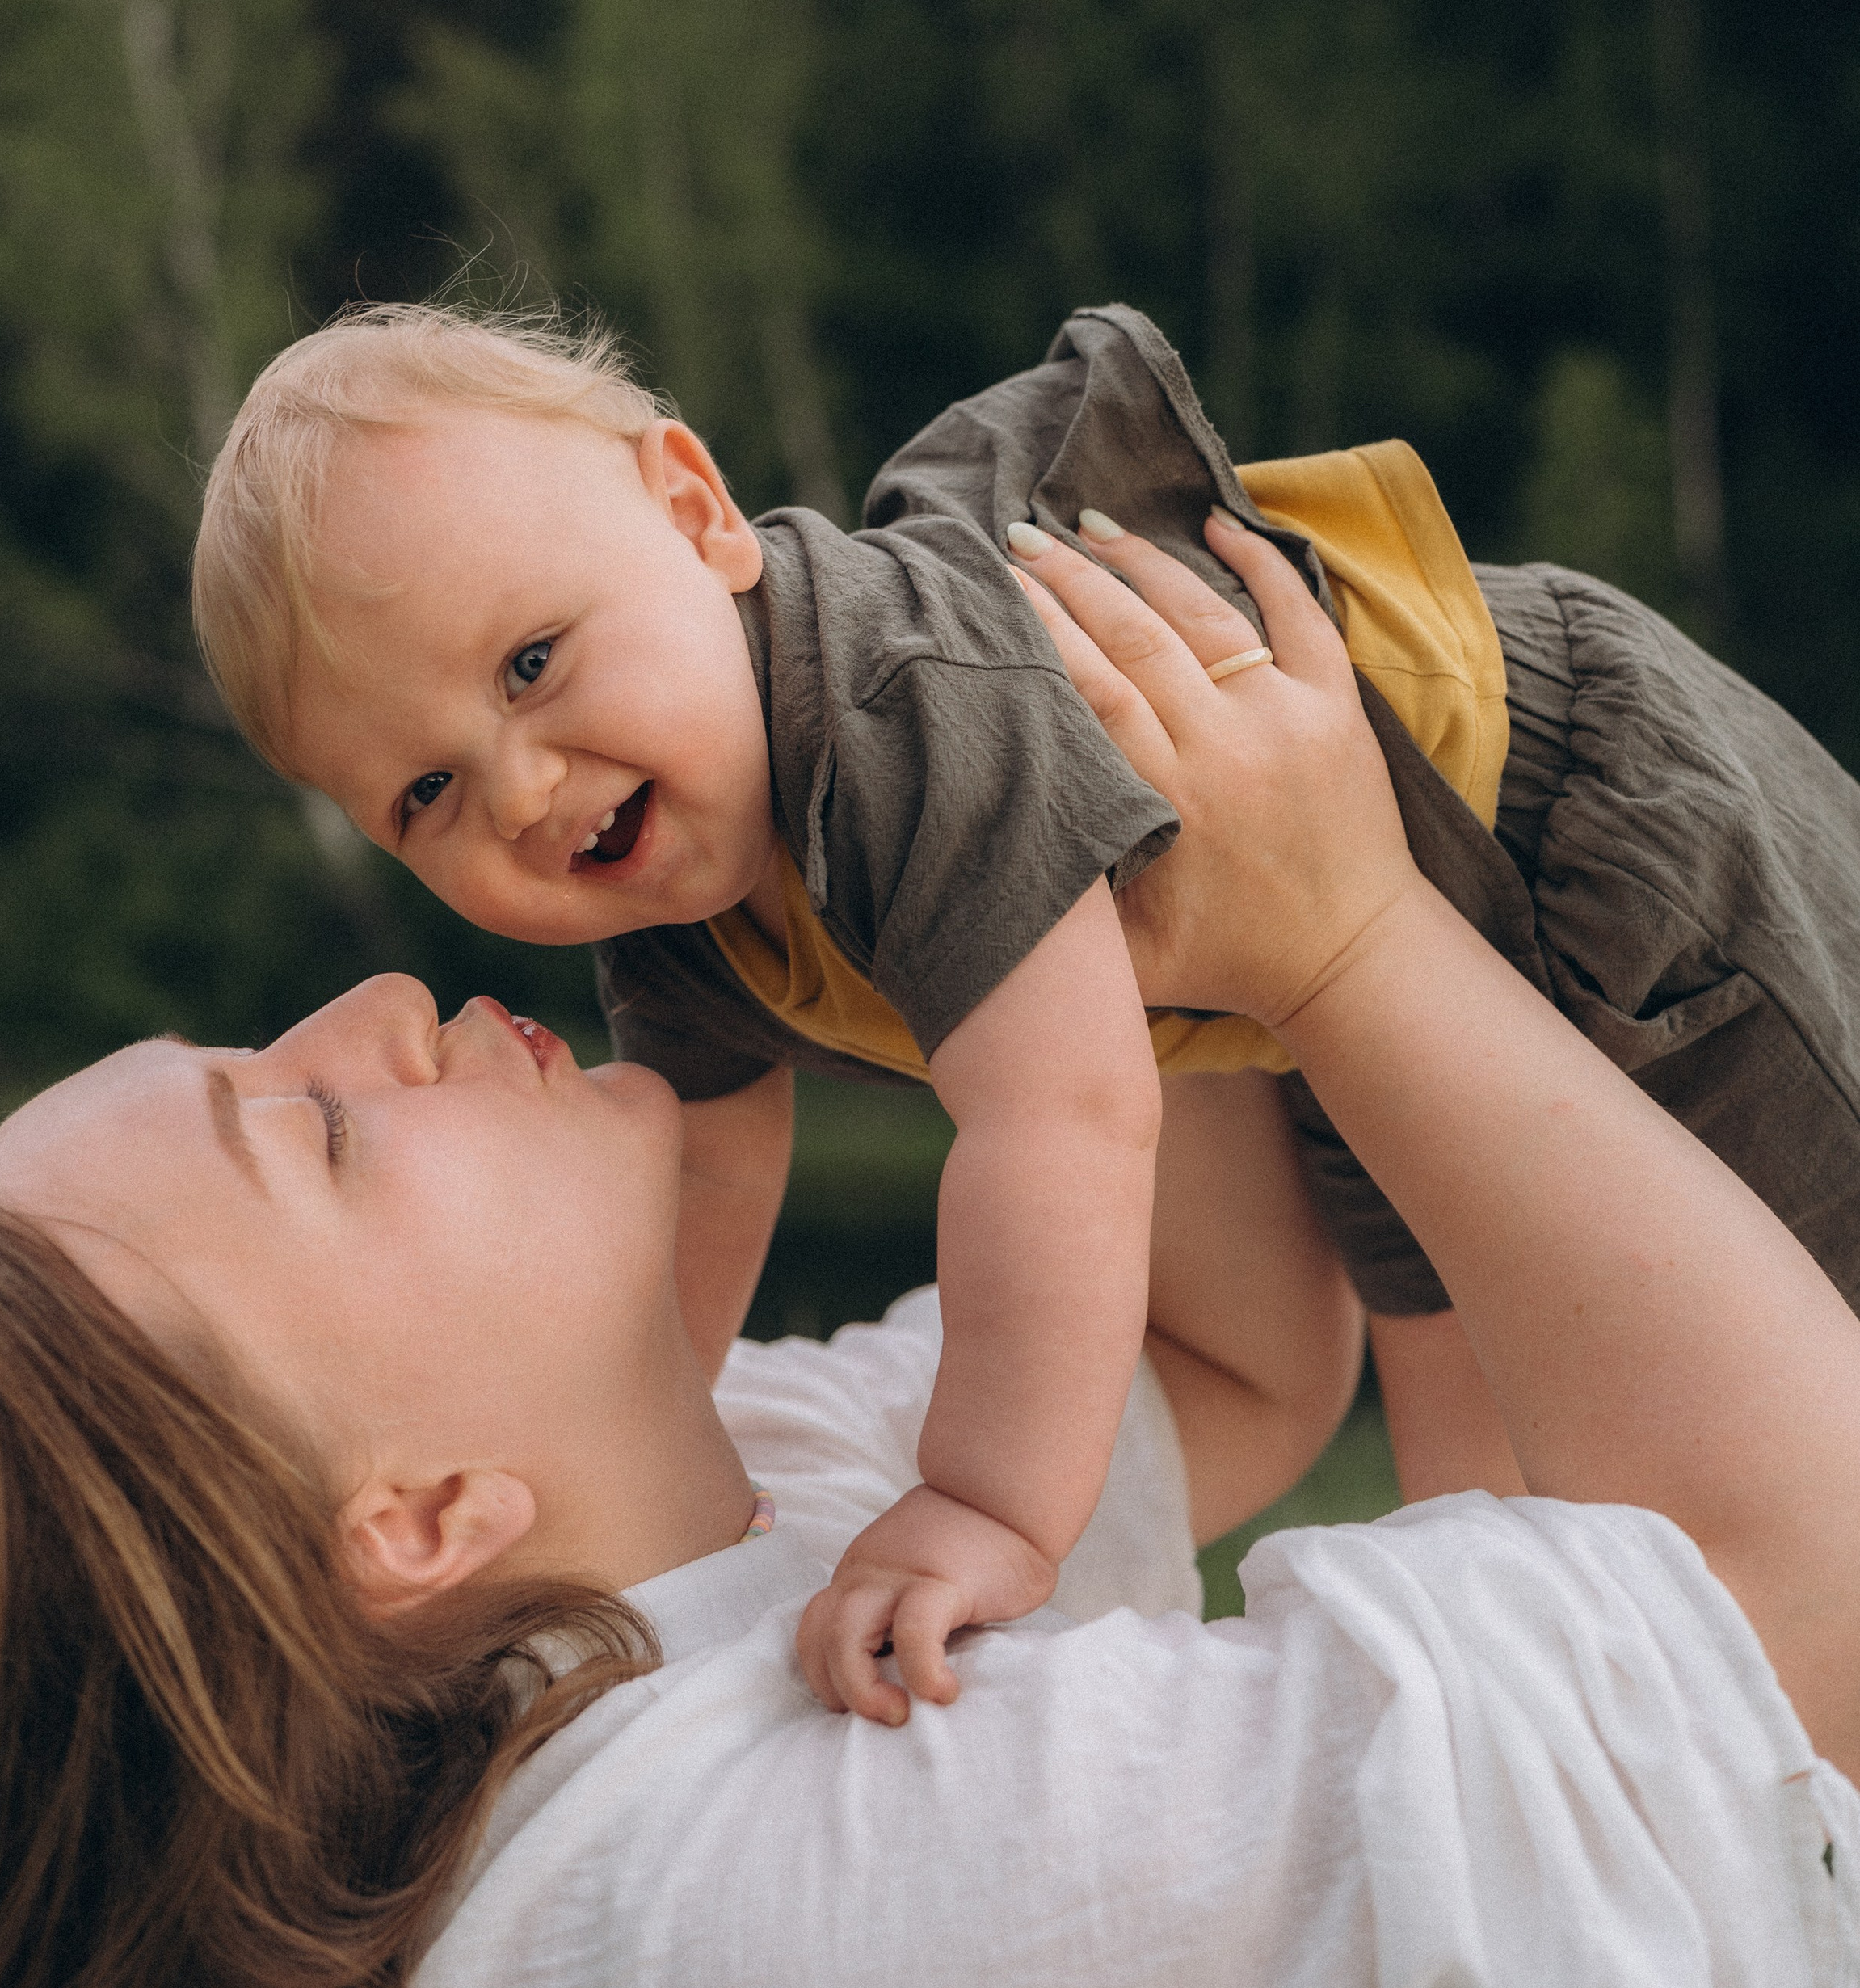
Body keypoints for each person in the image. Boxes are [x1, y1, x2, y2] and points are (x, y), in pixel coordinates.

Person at [0, 513, 1857, 1988]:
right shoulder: (779, 1939)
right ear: (411, 1519)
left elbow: (1206, 1359)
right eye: (308, 1132)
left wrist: (1014, 819)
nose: (371, 1008)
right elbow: (1794, 1618)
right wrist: (1341, 941)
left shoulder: (642, 1604)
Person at [191, 299, 1860, 1637]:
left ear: (693, 517)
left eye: (533, 662)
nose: (525, 792)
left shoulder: (896, 705)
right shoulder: (674, 902)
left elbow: (1061, 1120)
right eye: (425, 795)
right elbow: (694, 1179)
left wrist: (985, 1504)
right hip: (1323, 1006)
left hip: (1569, 830)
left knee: (1801, 1322)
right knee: (1486, 1486)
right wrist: (647, 1473)